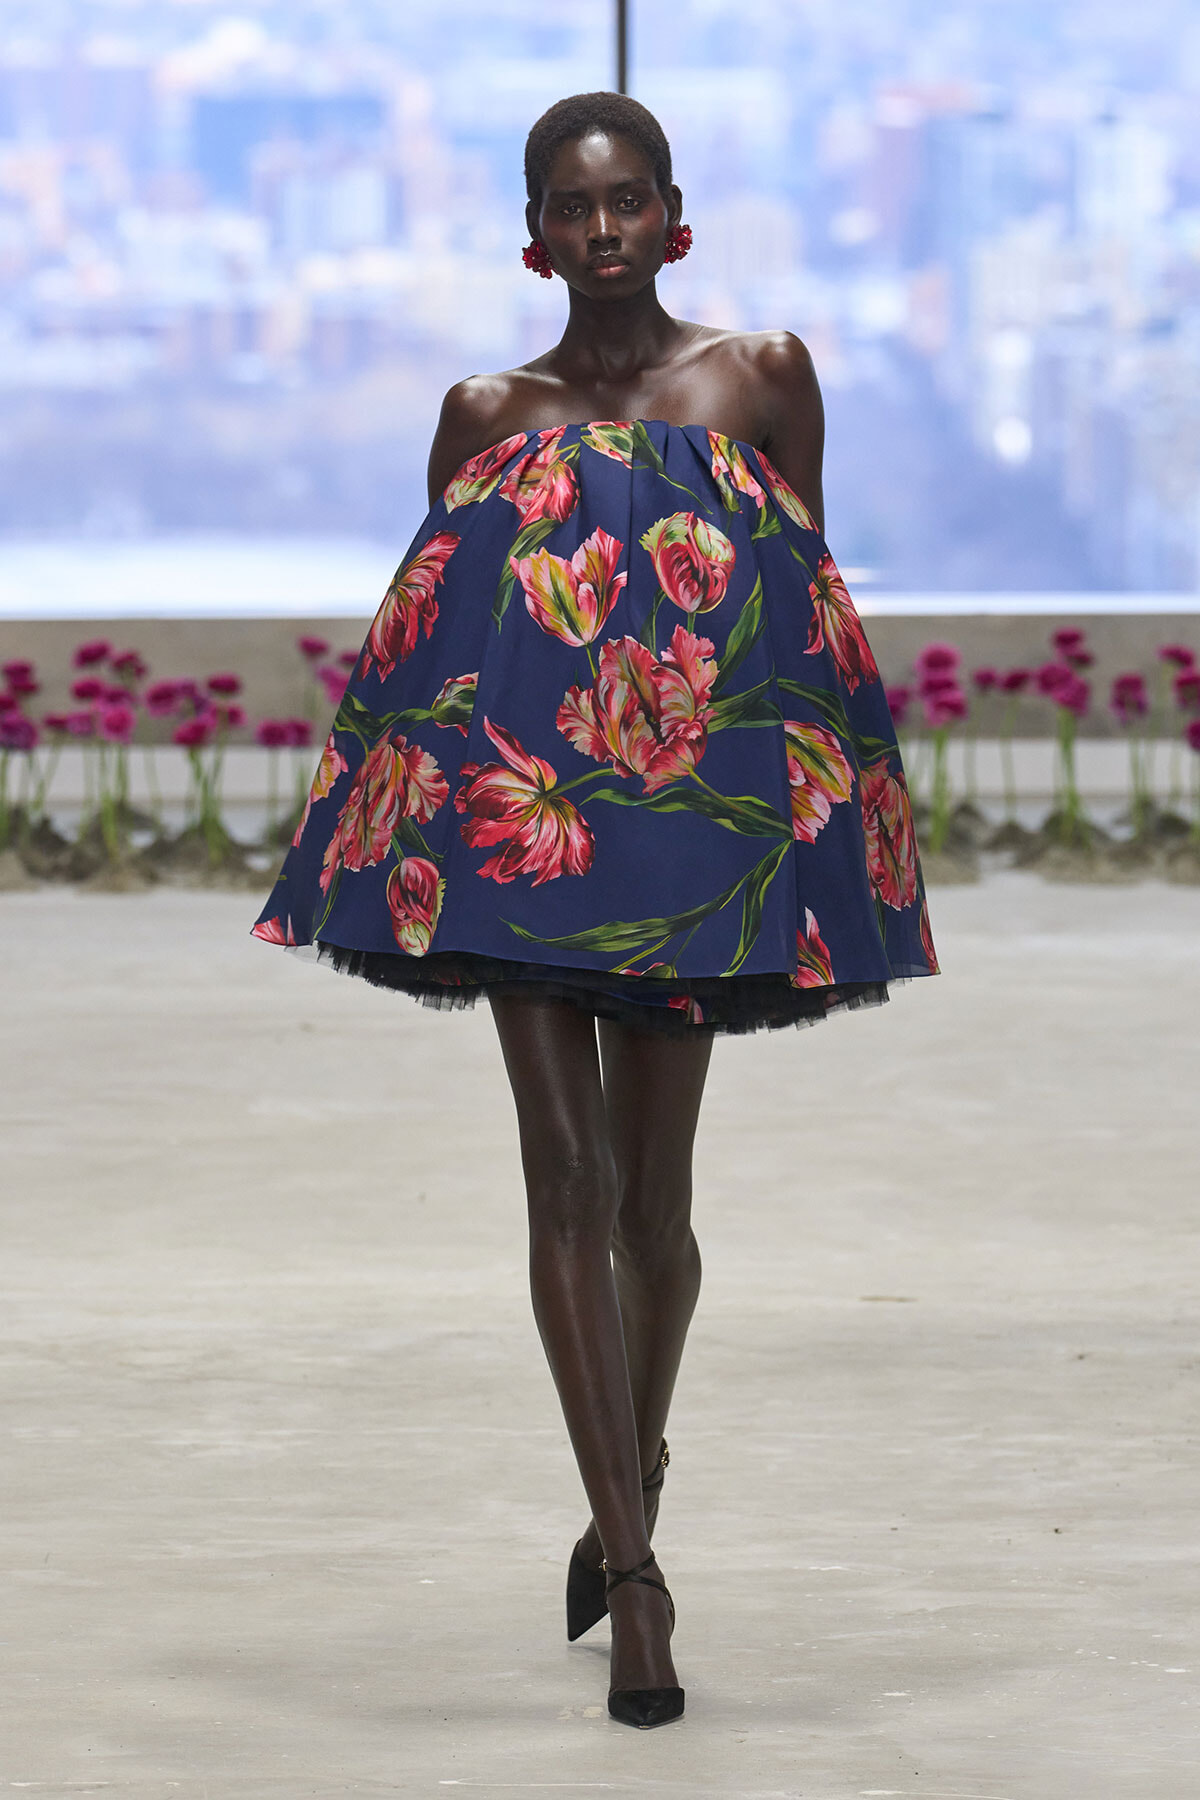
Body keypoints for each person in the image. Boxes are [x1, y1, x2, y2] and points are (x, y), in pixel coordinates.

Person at [253, 91, 938, 1730]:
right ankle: (638, 1581)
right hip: (525, 835)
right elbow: (437, 635)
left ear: (674, 211)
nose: (608, 226)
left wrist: (825, 834)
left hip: (690, 847)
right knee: (562, 1180)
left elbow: (803, 614)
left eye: (630, 198)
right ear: (536, 234)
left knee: (654, 1207)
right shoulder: (485, 408)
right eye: (578, 205)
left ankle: (629, 1457)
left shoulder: (761, 375)